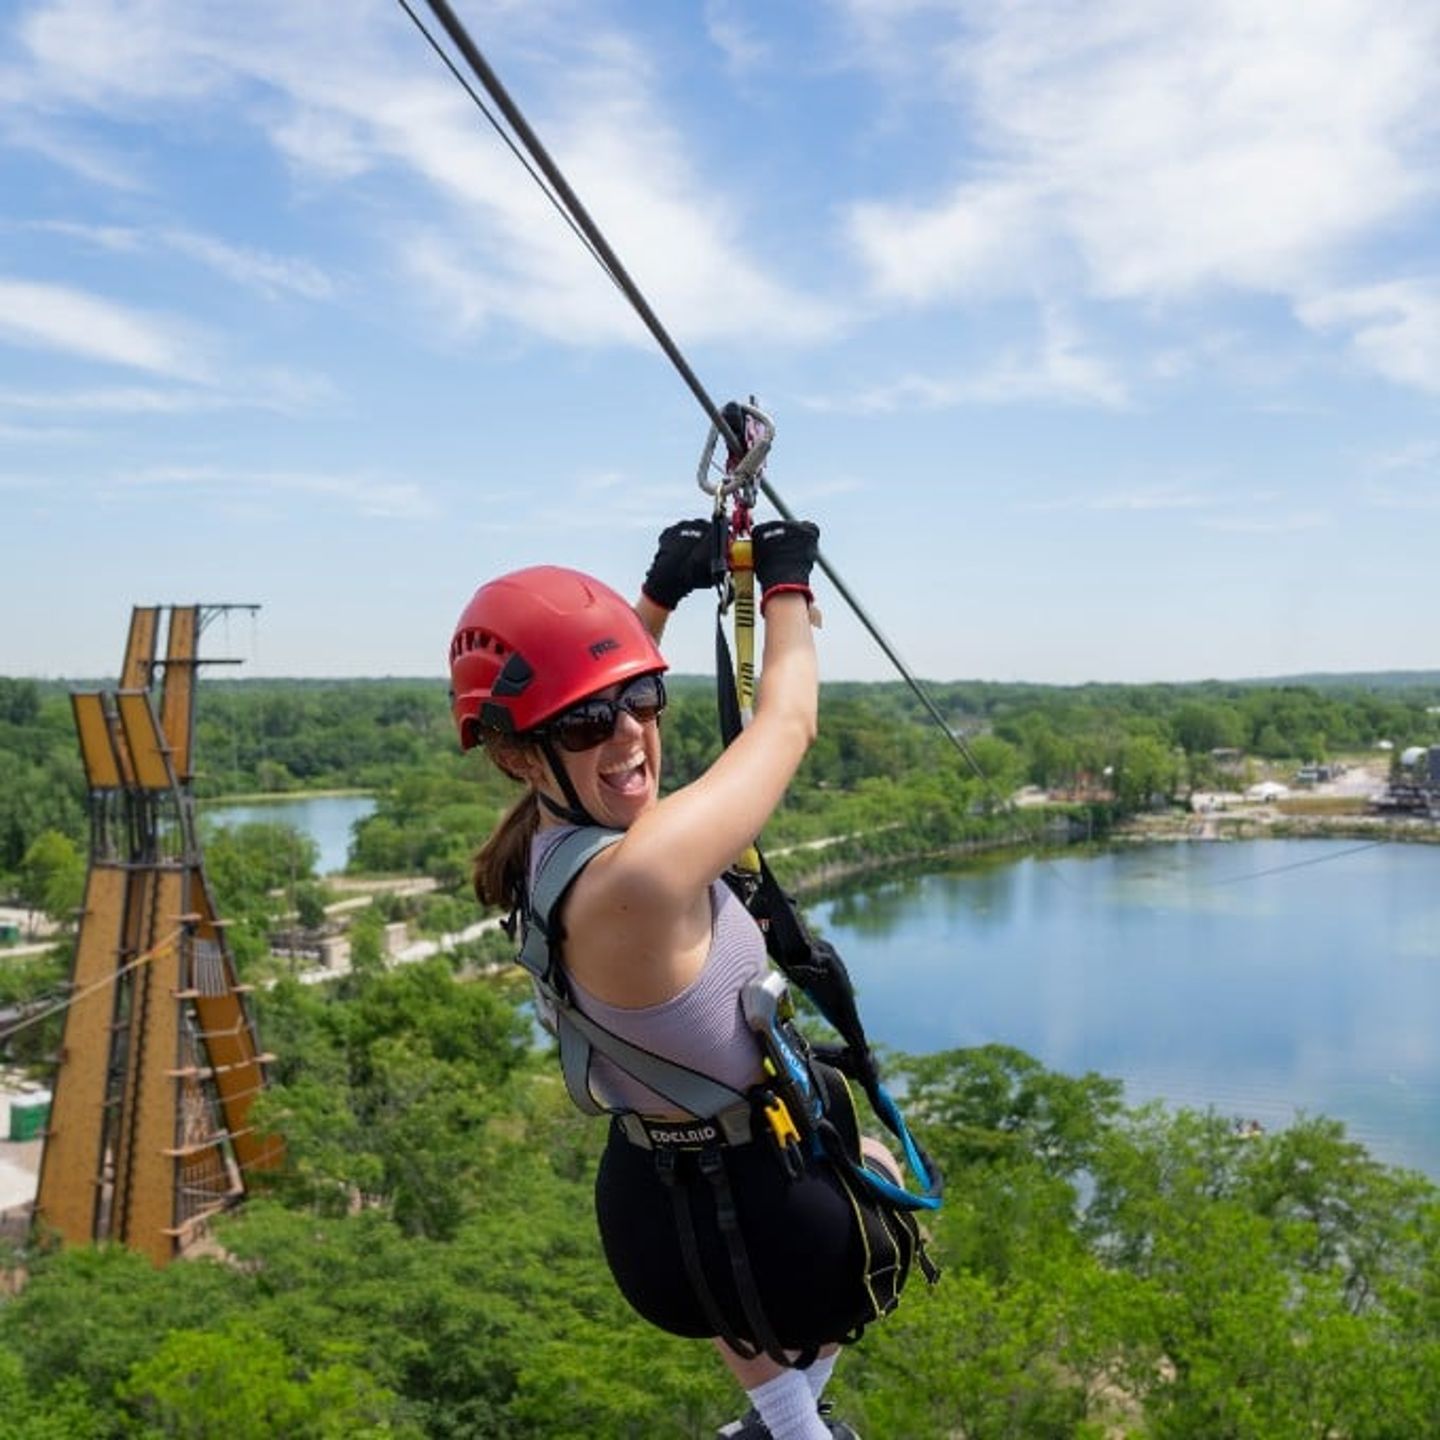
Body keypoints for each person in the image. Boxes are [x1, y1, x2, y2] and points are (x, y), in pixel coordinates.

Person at [449, 518, 922, 1440]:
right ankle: (796, 1420)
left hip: (652, 1223)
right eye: (593, 719)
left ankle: (785, 1425)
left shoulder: (537, 852)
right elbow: (788, 721)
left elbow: (593, 736)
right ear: (518, 755)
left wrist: (654, 601)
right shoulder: (642, 872)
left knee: (740, 1196)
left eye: (643, 698)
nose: (629, 733)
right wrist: (785, 587)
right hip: (775, 1231)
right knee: (877, 1170)